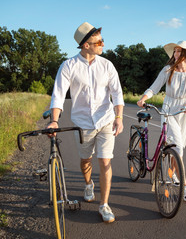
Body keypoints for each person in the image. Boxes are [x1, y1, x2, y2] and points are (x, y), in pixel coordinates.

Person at [47, 22, 124, 223]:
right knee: (86, 160)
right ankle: (88, 184)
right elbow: (58, 94)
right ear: (86, 45)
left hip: (106, 120)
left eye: (102, 40)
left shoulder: (107, 65)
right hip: (82, 124)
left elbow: (117, 93)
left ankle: (104, 204)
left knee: (105, 160)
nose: (103, 45)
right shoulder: (68, 66)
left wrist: (119, 117)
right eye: (99, 41)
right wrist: (54, 121)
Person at [137, 40, 186, 202]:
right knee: (177, 147)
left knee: (180, 147)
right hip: (169, 109)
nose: (176, 54)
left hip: (185, 111)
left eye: (179, 51)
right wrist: (144, 97)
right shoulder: (168, 70)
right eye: (175, 51)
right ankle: (184, 186)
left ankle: (172, 175)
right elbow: (154, 87)